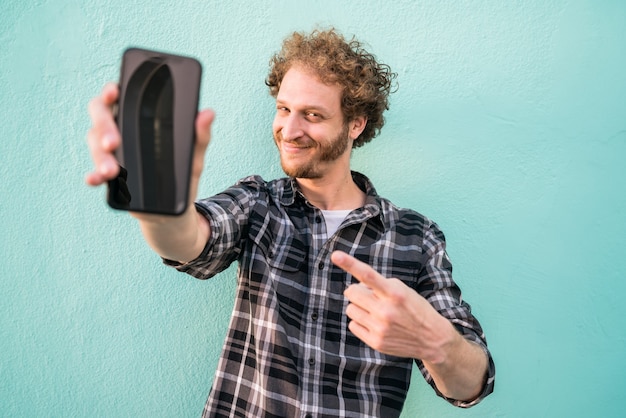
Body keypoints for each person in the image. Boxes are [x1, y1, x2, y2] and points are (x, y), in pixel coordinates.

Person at [86, 28, 495, 418]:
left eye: (312, 114)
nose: (289, 129)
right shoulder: (258, 202)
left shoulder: (416, 237)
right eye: (283, 109)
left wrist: (436, 342)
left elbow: (472, 383)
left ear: (355, 124)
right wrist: (162, 202)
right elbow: (188, 240)